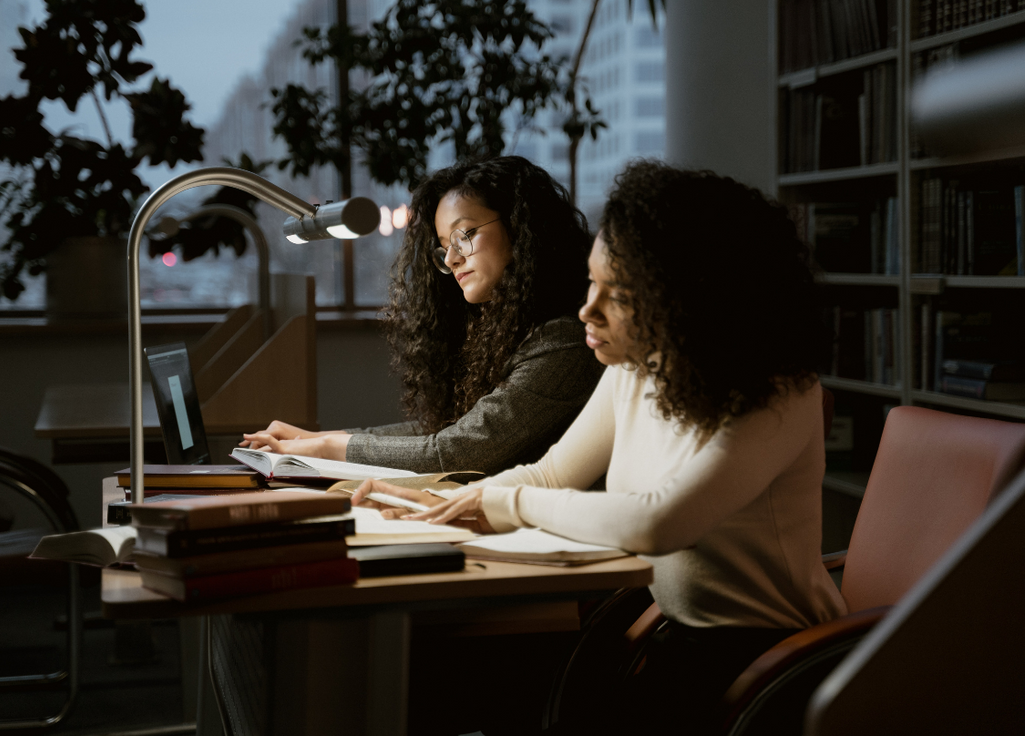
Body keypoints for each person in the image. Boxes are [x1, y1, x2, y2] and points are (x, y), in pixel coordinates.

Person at [355, 160, 847, 734]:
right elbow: (547, 476)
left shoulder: (780, 390)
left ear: (688, 297)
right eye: (593, 281)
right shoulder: (636, 370)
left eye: (620, 293)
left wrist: (497, 505)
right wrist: (432, 506)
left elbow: (659, 523)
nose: (588, 309)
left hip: (769, 664)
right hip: (675, 639)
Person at [240, 156, 604, 475]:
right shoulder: (504, 328)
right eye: (444, 247)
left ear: (522, 227)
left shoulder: (564, 341)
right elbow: (440, 430)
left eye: (464, 235)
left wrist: (324, 449)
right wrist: (320, 438)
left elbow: (456, 451)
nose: (451, 259)